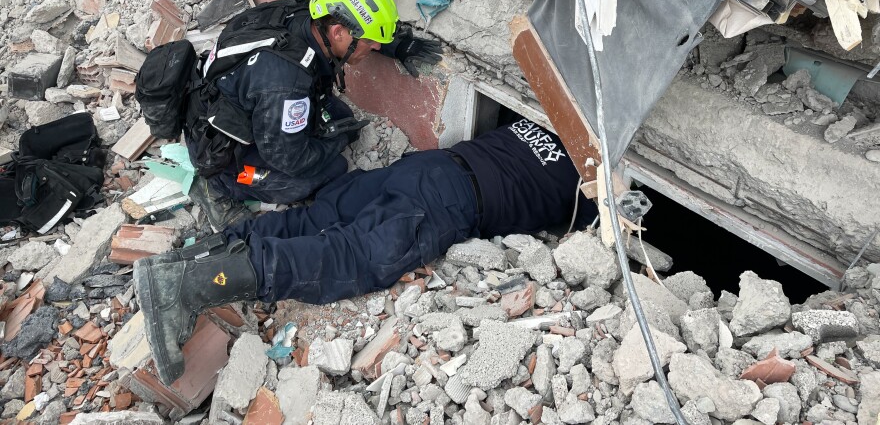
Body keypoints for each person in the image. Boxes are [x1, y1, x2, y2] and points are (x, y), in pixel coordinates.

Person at [134, 117, 598, 385]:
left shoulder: (545, 117)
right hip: (453, 200)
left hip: (427, 165)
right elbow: (600, 240)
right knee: (355, 255)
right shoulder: (594, 180)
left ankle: (184, 260)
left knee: (315, 218)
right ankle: (191, 287)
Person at [183, 0, 442, 232]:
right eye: (370, 42)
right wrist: (336, 141)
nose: (374, 47)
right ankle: (217, 187)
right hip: (221, 147)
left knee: (339, 117)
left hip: (231, 98)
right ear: (338, 32)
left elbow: (356, 34)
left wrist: (396, 45)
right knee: (327, 170)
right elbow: (290, 160)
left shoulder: (309, 13)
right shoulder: (286, 85)